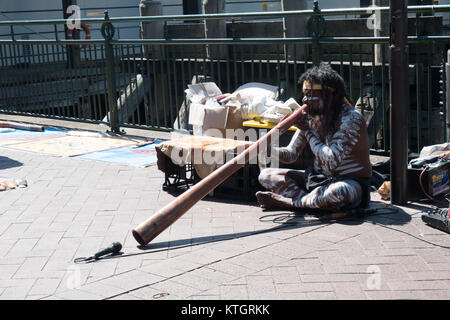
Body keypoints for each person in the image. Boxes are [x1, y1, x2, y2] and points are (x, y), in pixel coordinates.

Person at [256, 63, 372, 212]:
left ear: (329, 95)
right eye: (304, 94)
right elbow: (291, 154)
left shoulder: (351, 119)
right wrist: (266, 149)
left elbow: (332, 162)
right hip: (316, 179)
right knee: (266, 175)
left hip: (349, 182)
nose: (304, 100)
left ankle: (290, 203)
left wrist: (307, 131)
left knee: (338, 192)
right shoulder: (312, 117)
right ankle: (310, 202)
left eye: (310, 95)